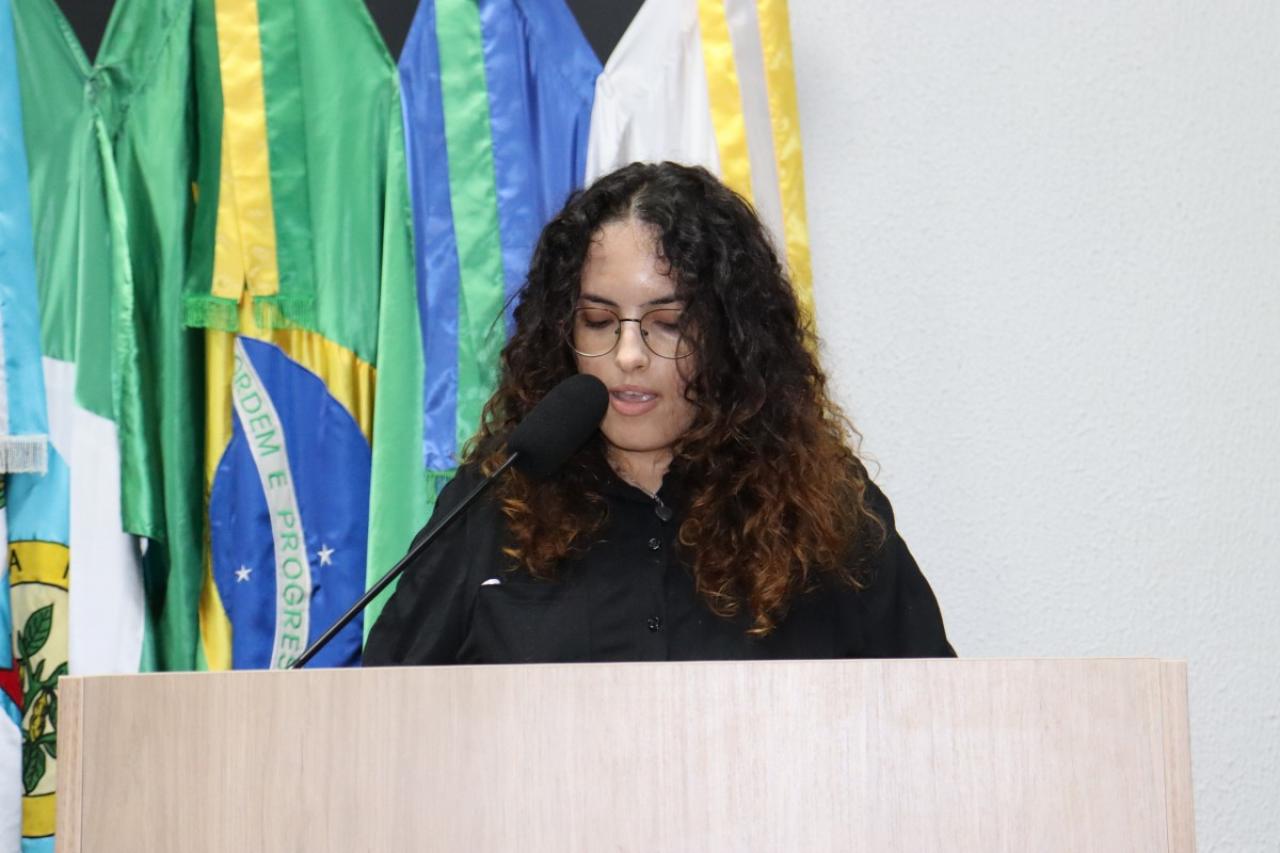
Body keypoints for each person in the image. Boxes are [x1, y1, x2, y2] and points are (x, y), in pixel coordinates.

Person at [363, 162, 954, 665]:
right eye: (598, 321)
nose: (628, 355)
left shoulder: (826, 510)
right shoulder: (494, 501)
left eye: (667, 324)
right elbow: (380, 716)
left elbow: (934, 717)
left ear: (731, 337)